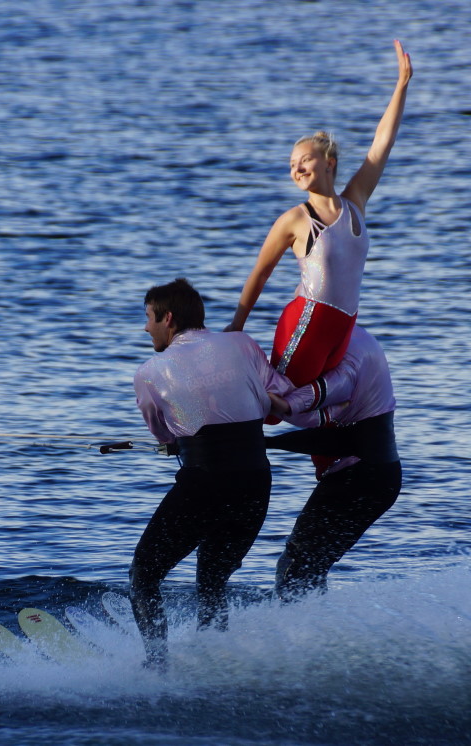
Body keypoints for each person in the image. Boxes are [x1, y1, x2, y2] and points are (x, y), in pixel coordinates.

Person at [226, 41, 413, 389]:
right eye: (292, 166)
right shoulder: (296, 219)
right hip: (307, 323)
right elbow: (261, 272)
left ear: (329, 164)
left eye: (304, 161)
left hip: (341, 331)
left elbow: (381, 144)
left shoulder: (355, 201)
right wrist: (237, 325)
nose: (297, 169)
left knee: (320, 405)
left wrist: (401, 86)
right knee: (274, 402)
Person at [131, 278, 293, 670]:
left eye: (149, 318)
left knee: (144, 575)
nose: (146, 327)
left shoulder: (151, 371)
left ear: (168, 318)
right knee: (212, 578)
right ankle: (214, 662)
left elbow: (164, 434)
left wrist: (179, 438)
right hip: (256, 481)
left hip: (205, 482)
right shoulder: (241, 343)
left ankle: (157, 668)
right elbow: (283, 396)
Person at [265, 325, 401, 601]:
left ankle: (302, 635)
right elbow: (326, 423)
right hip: (372, 476)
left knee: (297, 564)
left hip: (362, 478)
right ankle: (317, 629)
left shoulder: (350, 359)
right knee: (308, 564)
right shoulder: (357, 340)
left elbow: (338, 439)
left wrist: (266, 441)